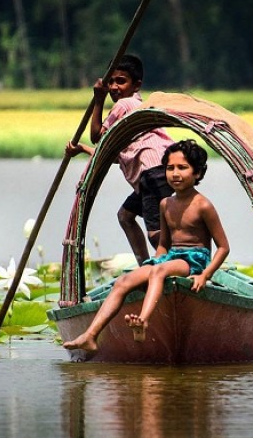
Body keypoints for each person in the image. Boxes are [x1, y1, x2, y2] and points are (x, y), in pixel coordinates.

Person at [63, 139, 230, 353]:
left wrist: (204, 275)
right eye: (170, 168)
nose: (175, 173)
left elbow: (223, 247)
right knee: (124, 281)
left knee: (158, 271)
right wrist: (151, 265)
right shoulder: (165, 204)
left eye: (182, 168)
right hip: (170, 259)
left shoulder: (203, 205)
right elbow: (163, 245)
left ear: (197, 173)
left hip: (194, 260)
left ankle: (143, 320)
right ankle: (90, 335)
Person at [66, 54, 175, 264]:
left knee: (155, 232)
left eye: (121, 81)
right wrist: (81, 149)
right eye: (111, 82)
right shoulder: (135, 106)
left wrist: (98, 100)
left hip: (152, 173)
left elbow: (97, 136)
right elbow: (113, 155)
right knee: (125, 216)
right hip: (156, 173)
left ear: (136, 85)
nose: (114, 87)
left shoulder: (125, 104)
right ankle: (145, 264)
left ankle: (177, 263)